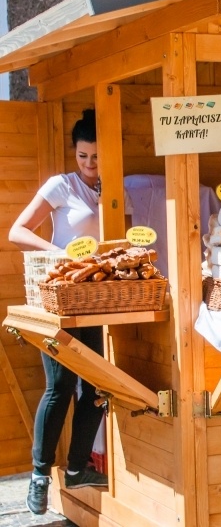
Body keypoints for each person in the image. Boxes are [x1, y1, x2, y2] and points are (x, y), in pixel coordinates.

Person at [9, 109, 128, 515]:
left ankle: (77, 468)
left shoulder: (114, 189)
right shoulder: (61, 185)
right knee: (59, 386)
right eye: (83, 157)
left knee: (95, 388)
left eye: (96, 157)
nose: (90, 166)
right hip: (58, 299)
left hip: (94, 300)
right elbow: (17, 231)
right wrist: (57, 253)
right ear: (74, 155)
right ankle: (40, 475)